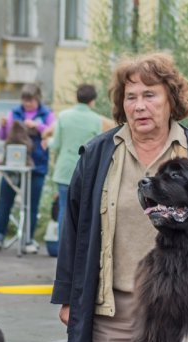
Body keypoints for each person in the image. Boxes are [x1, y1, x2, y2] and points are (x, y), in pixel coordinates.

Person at [51, 52, 188, 342]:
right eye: (131, 97)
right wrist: (69, 295)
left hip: (181, 310)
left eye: (150, 95)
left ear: (171, 99)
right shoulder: (99, 154)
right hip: (113, 310)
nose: (140, 106)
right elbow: (76, 226)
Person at [0, 83, 55, 254]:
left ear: (37, 99)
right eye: (24, 100)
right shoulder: (14, 112)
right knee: (4, 201)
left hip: (36, 166)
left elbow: (53, 132)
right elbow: (2, 136)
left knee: (31, 205)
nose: (27, 104)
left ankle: (27, 240)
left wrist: (38, 127)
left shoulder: (47, 114)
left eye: (30, 100)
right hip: (13, 165)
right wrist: (3, 126)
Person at [47, 83, 115, 254]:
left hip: (63, 171)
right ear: (93, 101)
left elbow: (55, 145)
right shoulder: (96, 120)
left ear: (76, 97)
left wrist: (45, 142)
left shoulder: (63, 116)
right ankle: (82, 250)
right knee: (85, 211)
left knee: (64, 209)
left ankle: (64, 250)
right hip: (86, 172)